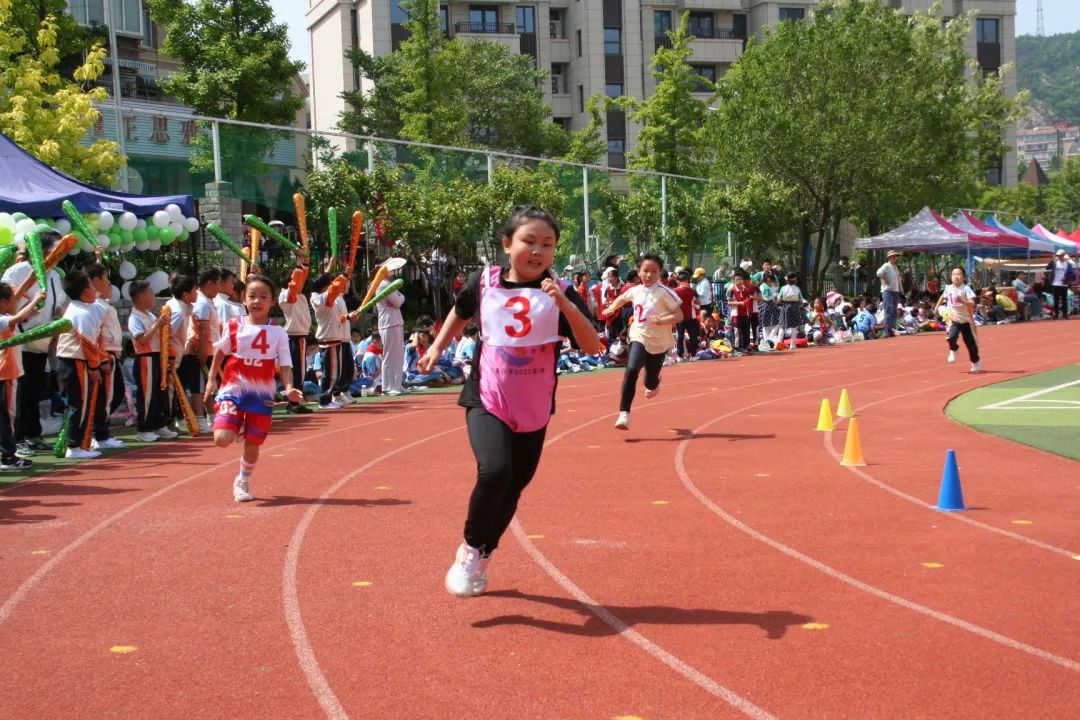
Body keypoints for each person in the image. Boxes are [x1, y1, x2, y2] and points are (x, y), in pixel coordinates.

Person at [417, 205, 600, 598]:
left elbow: (593, 345)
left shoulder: (561, 291)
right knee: (495, 471)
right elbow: (460, 313)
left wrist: (564, 304)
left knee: (514, 486)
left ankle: (485, 553)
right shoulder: (485, 282)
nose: (538, 251)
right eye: (529, 241)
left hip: (534, 403)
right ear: (506, 244)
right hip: (488, 394)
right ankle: (469, 548)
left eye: (547, 245)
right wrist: (436, 348)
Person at [204, 275, 303, 502]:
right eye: (252, 296)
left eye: (263, 297)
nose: (257, 301)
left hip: (261, 394)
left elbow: (286, 366)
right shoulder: (233, 326)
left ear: (273, 301)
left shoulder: (279, 333)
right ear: (243, 299)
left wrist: (289, 389)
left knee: (253, 442)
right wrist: (211, 379)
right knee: (222, 438)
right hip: (234, 389)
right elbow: (220, 353)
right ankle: (235, 423)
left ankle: (243, 480)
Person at [1, 231, 68, 458]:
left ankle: (33, 435)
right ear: (42, 250)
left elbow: (58, 305)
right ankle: (17, 439)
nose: (58, 255)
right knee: (20, 394)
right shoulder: (17, 271)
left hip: (43, 341)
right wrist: (27, 306)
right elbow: (7, 304)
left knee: (34, 392)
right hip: (21, 340)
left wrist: (62, 321)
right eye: (55, 250)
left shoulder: (54, 275)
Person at [602, 252, 683, 430]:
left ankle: (655, 380)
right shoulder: (635, 290)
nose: (649, 275)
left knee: (650, 382)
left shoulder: (664, 293)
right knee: (631, 370)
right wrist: (611, 308)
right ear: (638, 271)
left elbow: (679, 315)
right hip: (638, 336)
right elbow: (622, 299)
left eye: (654, 271)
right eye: (645, 270)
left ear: (660, 273)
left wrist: (662, 321)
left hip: (659, 341)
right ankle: (624, 414)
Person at [55, 271, 110, 460]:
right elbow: (87, 344)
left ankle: (78, 443)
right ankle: (73, 445)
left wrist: (99, 361)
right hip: (74, 361)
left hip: (75, 360)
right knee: (79, 403)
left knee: (81, 402)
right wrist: (95, 367)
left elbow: (97, 334)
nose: (96, 290)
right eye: (92, 287)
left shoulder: (84, 308)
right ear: (86, 290)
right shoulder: (81, 313)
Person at [0, 280, 46, 470]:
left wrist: (30, 279)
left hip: (7, 373)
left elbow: (15, 304)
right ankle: (8, 456)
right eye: (12, 300)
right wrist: (34, 299)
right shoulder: (2, 319)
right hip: (5, 374)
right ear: (3, 301)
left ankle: (7, 454)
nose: (16, 302)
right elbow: (15, 319)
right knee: (7, 417)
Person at [84, 262, 125, 450]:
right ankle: (99, 434)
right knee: (106, 397)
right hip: (104, 355)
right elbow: (96, 334)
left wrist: (98, 258)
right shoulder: (94, 306)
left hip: (112, 354)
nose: (109, 283)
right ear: (95, 281)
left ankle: (100, 431)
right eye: (106, 279)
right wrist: (101, 358)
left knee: (114, 394)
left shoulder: (102, 303)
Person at [126, 280, 173, 442]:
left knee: (160, 393)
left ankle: (159, 425)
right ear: (141, 297)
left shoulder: (150, 315)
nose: (153, 297)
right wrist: (158, 324)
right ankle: (144, 428)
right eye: (150, 293)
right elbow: (142, 340)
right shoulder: (134, 318)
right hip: (145, 358)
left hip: (157, 357)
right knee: (147, 395)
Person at [309, 273, 354, 409]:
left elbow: (336, 316)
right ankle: (324, 400)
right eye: (330, 283)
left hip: (334, 337)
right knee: (330, 372)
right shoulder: (318, 298)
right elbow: (332, 291)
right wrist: (344, 275)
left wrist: (347, 316)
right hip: (328, 338)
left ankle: (328, 397)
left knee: (336, 372)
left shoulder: (330, 299)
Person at [165, 275, 200, 436]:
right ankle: (167, 423)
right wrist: (169, 358)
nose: (197, 293)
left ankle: (169, 422)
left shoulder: (181, 307)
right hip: (170, 358)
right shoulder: (178, 311)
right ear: (186, 294)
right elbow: (167, 335)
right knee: (169, 392)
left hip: (176, 356)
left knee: (173, 391)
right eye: (194, 291)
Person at [278, 256, 313, 414]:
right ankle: (294, 403)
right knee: (297, 371)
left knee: (300, 371)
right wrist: (298, 266)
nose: (301, 284)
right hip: (293, 336)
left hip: (300, 336)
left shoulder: (300, 295)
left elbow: (300, 280)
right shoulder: (286, 295)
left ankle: (295, 401)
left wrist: (304, 263)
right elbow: (294, 286)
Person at [934, 266, 980, 372]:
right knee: (951, 336)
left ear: (963, 277)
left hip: (966, 321)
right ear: (951, 277)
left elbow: (972, 303)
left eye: (959, 274)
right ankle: (954, 349)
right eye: (954, 274)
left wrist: (963, 300)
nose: (956, 276)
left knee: (970, 343)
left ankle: (975, 361)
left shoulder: (966, 289)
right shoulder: (948, 288)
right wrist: (936, 307)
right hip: (954, 319)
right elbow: (943, 296)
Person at [376, 265, 407, 396]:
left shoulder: (390, 285)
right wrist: (399, 298)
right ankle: (388, 386)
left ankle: (397, 384)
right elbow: (398, 302)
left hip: (396, 321)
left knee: (398, 355)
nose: (393, 272)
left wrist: (399, 297)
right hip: (388, 323)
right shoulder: (383, 284)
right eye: (390, 270)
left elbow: (401, 298)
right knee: (390, 355)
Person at [726, 269, 756, 353]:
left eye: (741, 279)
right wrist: (739, 303)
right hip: (736, 313)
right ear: (734, 281)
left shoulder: (745, 290)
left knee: (745, 330)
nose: (740, 281)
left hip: (745, 313)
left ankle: (746, 345)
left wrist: (747, 302)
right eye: (737, 280)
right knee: (737, 331)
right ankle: (737, 347)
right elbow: (729, 302)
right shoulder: (732, 290)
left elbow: (748, 299)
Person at [673, 270, 699, 359]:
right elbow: (699, 303)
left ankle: (680, 355)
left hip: (680, 316)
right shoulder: (693, 290)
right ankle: (693, 354)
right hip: (691, 316)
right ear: (688, 280)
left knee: (680, 336)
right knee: (693, 336)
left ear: (678, 281)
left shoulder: (675, 291)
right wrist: (693, 305)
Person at [876, 250, 902, 337]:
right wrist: (885, 279)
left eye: (896, 256)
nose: (896, 258)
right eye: (894, 256)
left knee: (894, 311)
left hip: (895, 291)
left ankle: (891, 329)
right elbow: (879, 273)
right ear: (890, 257)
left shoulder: (895, 267)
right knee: (889, 310)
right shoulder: (886, 265)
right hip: (888, 291)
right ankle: (887, 330)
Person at [777, 272, 806, 349]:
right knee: (793, 326)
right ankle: (792, 344)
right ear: (795, 280)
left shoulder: (783, 288)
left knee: (782, 325)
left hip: (785, 307)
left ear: (787, 280)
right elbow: (801, 299)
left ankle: (779, 342)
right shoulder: (797, 288)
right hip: (795, 307)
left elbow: (779, 299)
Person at [1045, 249, 1076, 319]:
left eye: (1060, 255)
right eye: (1057, 255)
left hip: (1064, 284)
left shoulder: (1068, 264)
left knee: (1064, 299)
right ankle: (1056, 314)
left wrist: (1066, 277)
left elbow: (1072, 273)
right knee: (1056, 300)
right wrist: (1052, 260)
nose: (1059, 256)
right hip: (1055, 283)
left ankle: (1065, 315)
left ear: (1063, 255)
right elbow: (1047, 268)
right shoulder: (1055, 263)